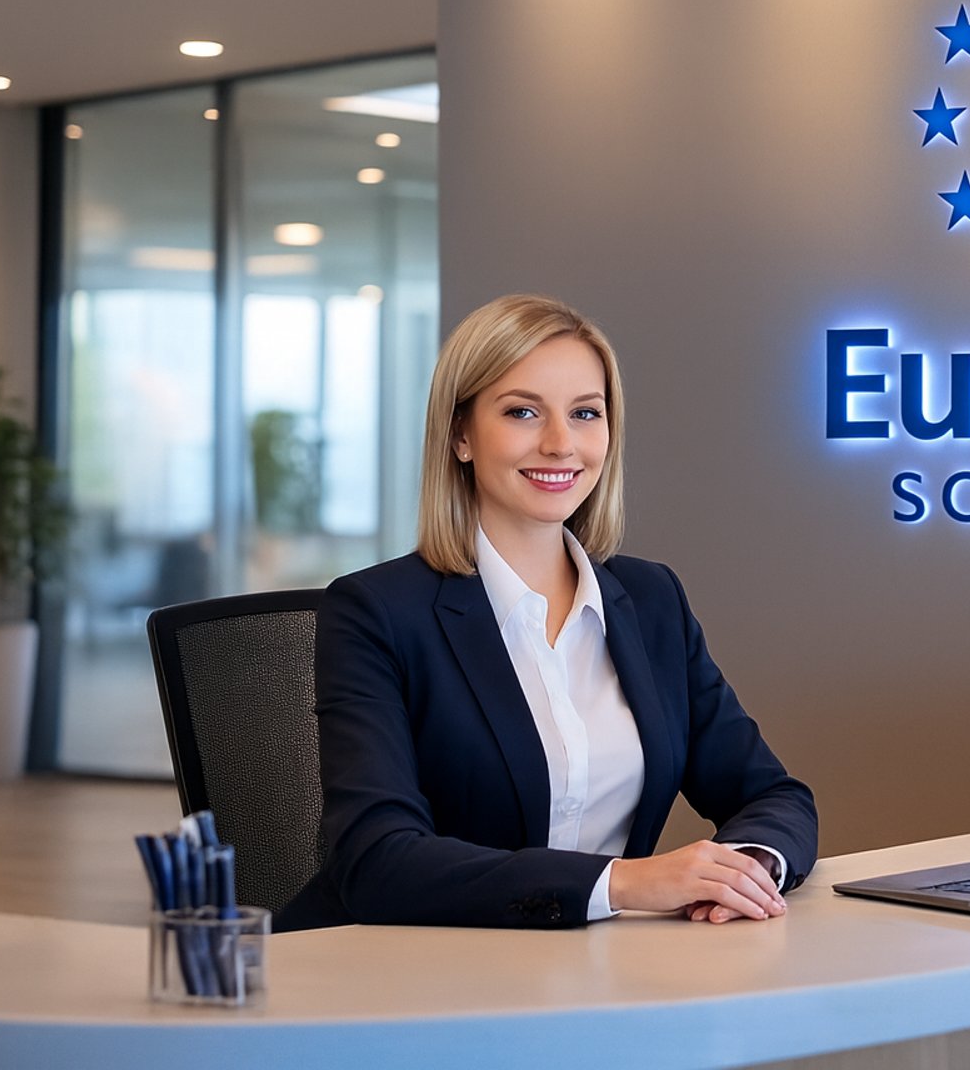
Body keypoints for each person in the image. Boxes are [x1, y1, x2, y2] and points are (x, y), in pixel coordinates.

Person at [277, 294, 816, 930]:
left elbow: (773, 795)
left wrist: (744, 868)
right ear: (460, 435)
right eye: (523, 412)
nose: (561, 444)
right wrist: (624, 882)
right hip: (403, 982)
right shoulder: (376, 613)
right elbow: (377, 860)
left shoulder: (649, 601)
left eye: (586, 413)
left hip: (593, 975)